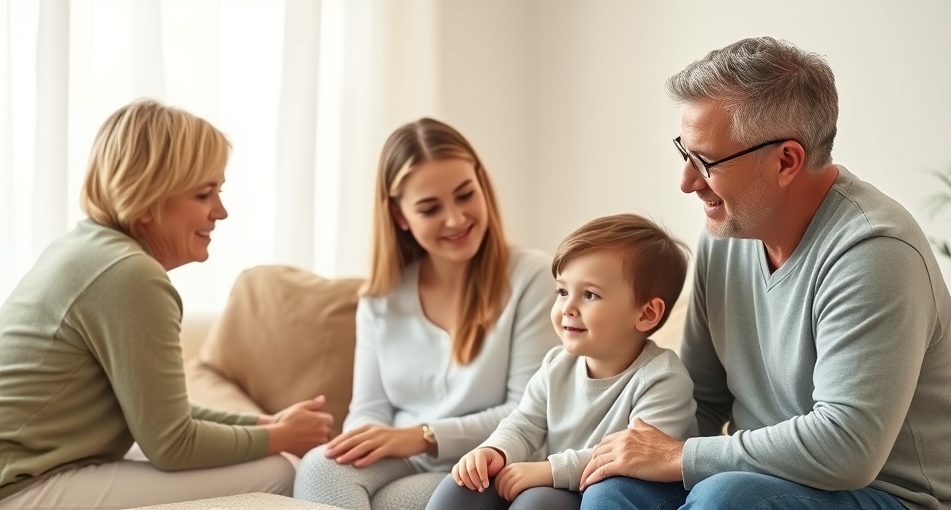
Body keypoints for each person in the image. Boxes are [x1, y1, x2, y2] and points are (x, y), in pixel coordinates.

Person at [578, 37, 951, 510]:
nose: (687, 182)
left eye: (705, 161)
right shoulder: (726, 234)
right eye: (683, 152)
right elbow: (703, 402)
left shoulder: (875, 251)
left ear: (787, 160)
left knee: (726, 498)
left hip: (897, 496)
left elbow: (846, 448)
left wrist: (681, 456)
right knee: (614, 490)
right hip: (770, 483)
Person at [0, 99, 333, 509]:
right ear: (147, 200)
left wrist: (262, 424)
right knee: (278, 471)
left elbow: (159, 414)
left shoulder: (87, 248)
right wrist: (280, 438)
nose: (221, 211)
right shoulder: (130, 275)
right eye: (203, 194)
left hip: (24, 469)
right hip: (22, 486)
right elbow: (173, 444)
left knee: (268, 458)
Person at [293, 117, 560, 510]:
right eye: (430, 208)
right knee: (320, 467)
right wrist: (360, 448)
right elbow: (369, 410)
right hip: (403, 458)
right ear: (400, 217)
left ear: (482, 187)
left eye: (465, 195)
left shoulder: (533, 278)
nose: (455, 219)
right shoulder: (380, 297)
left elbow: (527, 411)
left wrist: (423, 435)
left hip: (486, 463)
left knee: (394, 502)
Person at [425, 213, 699, 510]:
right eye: (563, 291)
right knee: (461, 486)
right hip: (562, 482)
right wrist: (495, 450)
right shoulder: (557, 364)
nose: (568, 307)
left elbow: (630, 457)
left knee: (536, 503)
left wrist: (548, 471)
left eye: (590, 295)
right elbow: (523, 424)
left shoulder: (664, 379)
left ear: (646, 314)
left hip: (617, 493)